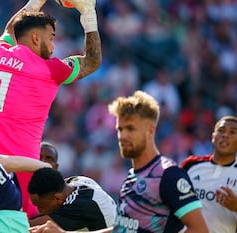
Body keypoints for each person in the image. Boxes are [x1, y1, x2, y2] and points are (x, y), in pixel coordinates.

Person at [0, 0, 102, 218]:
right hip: (24, 172)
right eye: (51, 38)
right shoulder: (50, 69)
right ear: (36, 38)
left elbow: (10, 29)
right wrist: (88, 15)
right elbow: (92, 61)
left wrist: (37, 1)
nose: (53, 47)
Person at [30, 91, 209, 233]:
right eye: (120, 129)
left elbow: (200, 229)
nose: (123, 136)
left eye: (131, 129)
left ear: (150, 131)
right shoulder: (131, 179)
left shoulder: (168, 175)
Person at [181, 115, 237, 233]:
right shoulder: (190, 165)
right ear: (213, 137)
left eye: (232, 132)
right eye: (221, 131)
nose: (225, 135)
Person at [28, 167, 117, 231]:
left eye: (41, 206)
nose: (40, 211)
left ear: (57, 198)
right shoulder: (75, 182)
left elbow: (30, 226)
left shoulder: (82, 205)